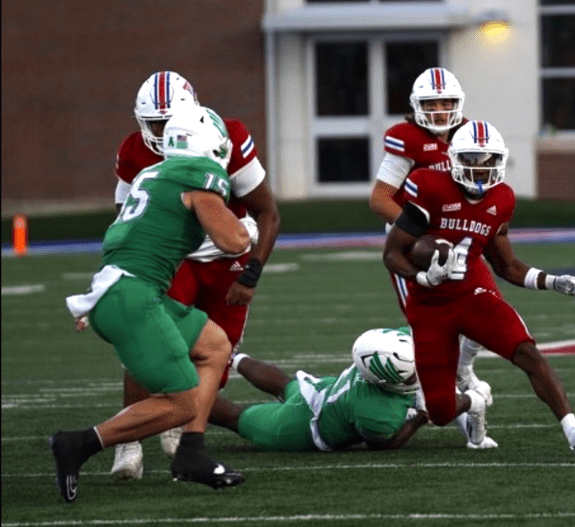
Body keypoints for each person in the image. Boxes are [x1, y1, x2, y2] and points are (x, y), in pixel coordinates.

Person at [52, 106, 249, 502]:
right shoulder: (199, 173)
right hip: (134, 296)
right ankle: (79, 444)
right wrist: (248, 231)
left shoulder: (151, 173)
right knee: (181, 401)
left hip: (121, 289)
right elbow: (234, 242)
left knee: (214, 346)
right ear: (207, 142)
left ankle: (191, 453)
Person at [382, 120, 575, 461]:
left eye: (488, 160)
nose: (481, 169)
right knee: (441, 411)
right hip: (429, 307)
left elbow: (507, 266)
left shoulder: (501, 199)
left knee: (527, 352)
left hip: (471, 295)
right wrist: (424, 277)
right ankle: (475, 400)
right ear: (455, 160)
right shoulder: (429, 186)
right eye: (473, 159)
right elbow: (392, 254)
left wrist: (551, 281)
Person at [110, 71, 281, 479]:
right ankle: (127, 439)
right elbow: (125, 215)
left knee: (215, 356)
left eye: (173, 121)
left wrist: (251, 273)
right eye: (156, 124)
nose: (165, 132)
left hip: (228, 258)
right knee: (145, 342)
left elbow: (267, 212)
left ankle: (184, 433)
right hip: (175, 258)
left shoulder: (227, 137)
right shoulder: (135, 150)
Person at [367, 67, 491, 406]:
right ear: (417, 105)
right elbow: (380, 198)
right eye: (431, 103)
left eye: (446, 102)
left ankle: (463, 369)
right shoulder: (406, 137)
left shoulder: (469, 134)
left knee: (482, 305)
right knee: (426, 320)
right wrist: (418, 231)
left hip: (456, 239)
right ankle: (436, 392)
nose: (439, 110)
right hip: (411, 245)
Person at [208, 327, 497, 451]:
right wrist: (421, 417)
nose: (419, 374)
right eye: (411, 377)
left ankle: (232, 356)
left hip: (322, 390)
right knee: (235, 417)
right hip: (301, 426)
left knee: (286, 383)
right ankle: (184, 401)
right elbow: (383, 444)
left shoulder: (390, 350)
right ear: (386, 383)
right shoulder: (376, 411)